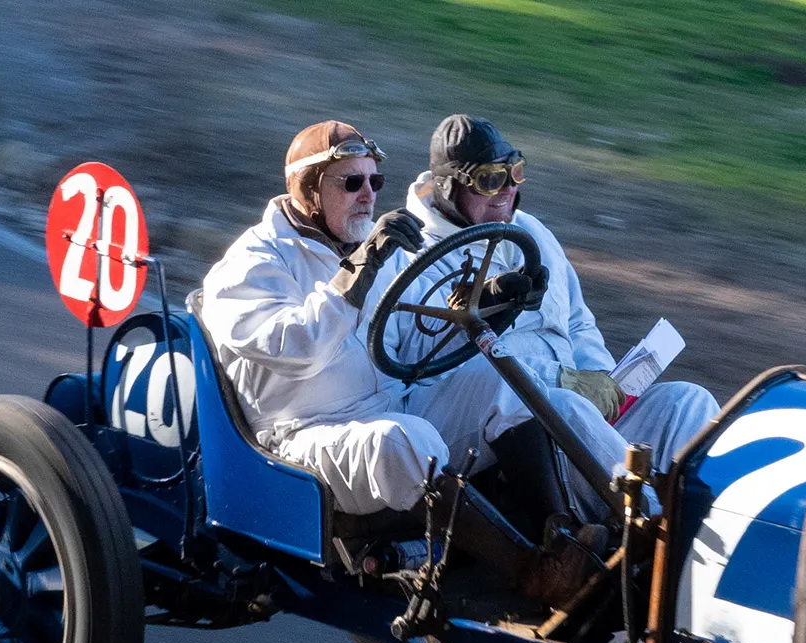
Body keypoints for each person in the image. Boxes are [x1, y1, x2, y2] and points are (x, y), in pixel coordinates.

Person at [198, 120, 590, 601]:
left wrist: (493, 304)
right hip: (302, 436)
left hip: (391, 407)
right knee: (404, 440)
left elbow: (421, 351)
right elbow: (298, 349)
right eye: (351, 183)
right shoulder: (251, 264)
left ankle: (563, 538)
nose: (368, 195)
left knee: (505, 377)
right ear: (307, 190)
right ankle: (530, 570)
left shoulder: (376, 252)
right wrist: (355, 277)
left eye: (374, 182)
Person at [398, 116, 718, 514]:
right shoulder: (414, 260)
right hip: (492, 435)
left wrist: (603, 383)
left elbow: (578, 322)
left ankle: (711, 514)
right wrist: (565, 383)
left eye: (514, 173)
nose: (507, 190)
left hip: (573, 418)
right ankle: (652, 526)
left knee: (688, 401)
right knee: (565, 406)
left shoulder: (533, 232)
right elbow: (442, 373)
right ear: (448, 186)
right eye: (488, 180)